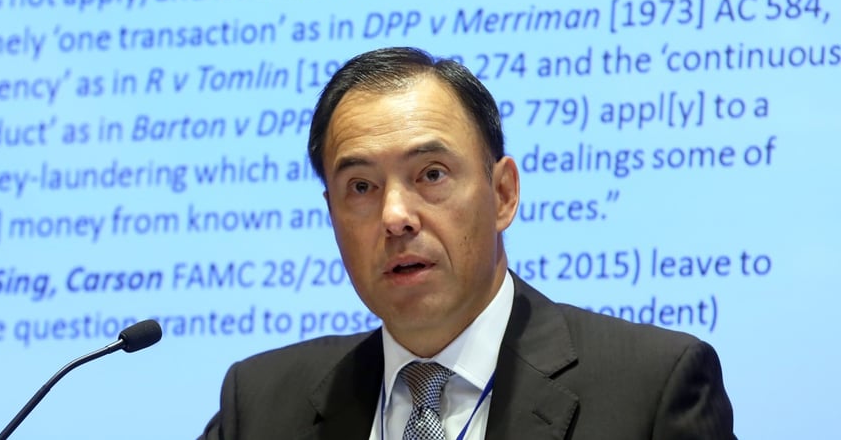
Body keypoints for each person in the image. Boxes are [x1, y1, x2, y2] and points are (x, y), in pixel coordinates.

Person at [200, 47, 735, 439]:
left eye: (431, 174)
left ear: (503, 194)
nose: (395, 217)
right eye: (361, 187)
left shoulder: (651, 388)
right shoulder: (260, 405)